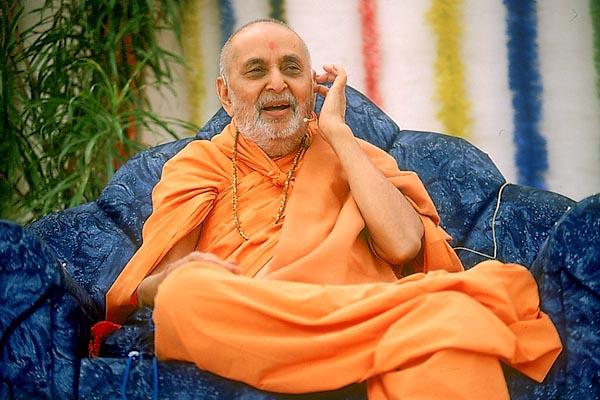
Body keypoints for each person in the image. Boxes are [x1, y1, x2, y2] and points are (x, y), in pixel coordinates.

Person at [106, 19, 561, 400]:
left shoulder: (354, 154)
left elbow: (404, 244)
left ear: (312, 87)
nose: (277, 83)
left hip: (347, 307)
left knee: (451, 351)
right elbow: (155, 286)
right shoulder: (197, 165)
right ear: (226, 94)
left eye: (291, 69)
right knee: (186, 295)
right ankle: (421, 320)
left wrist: (340, 135)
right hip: (255, 314)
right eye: (256, 70)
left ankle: (409, 328)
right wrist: (174, 281)